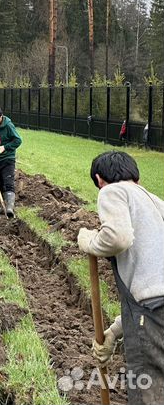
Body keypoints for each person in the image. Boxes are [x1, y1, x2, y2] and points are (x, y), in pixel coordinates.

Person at [77, 151, 164, 405]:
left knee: (149, 392)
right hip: (153, 312)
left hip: (151, 314)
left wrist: (90, 242)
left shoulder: (113, 191)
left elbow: (117, 238)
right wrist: (116, 331)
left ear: (99, 179)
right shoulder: (157, 203)